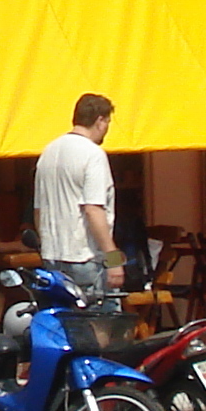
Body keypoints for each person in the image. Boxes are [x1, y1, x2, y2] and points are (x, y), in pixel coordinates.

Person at [33, 93, 120, 301]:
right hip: (85, 257)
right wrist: (114, 258)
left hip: (52, 256)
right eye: (107, 122)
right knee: (101, 327)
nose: (107, 128)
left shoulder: (48, 153)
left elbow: (38, 212)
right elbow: (93, 209)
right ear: (99, 120)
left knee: (64, 326)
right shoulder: (93, 154)